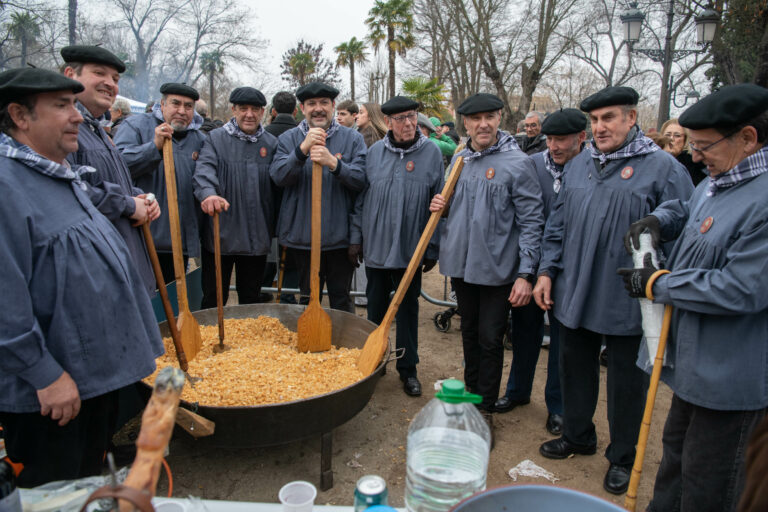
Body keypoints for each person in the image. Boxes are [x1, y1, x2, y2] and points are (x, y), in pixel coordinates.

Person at [0, 67, 163, 487]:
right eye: (60, 105)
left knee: (87, 479)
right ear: (19, 115)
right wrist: (46, 376)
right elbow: (5, 304)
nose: (76, 116)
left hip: (90, 381)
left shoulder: (58, 172)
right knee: (55, 489)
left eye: (74, 103)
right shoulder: (7, 187)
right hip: (53, 395)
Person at [534, 86, 693, 495]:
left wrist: (662, 265)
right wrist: (547, 271)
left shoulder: (662, 167)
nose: (600, 127)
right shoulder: (579, 163)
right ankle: (577, 434)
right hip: (575, 288)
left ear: (631, 118)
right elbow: (557, 225)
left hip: (628, 295)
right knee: (574, 366)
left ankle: (623, 456)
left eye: (609, 118)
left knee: (626, 381)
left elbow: (682, 224)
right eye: (595, 120)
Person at [618, 83, 768, 512]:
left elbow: (742, 288)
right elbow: (688, 209)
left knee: (709, 485)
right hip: (693, 368)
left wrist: (657, 284)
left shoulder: (763, 200)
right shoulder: (721, 180)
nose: (695, 156)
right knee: (675, 467)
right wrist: (657, 218)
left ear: (747, 138)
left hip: (729, 380)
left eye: (704, 146)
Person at [429, 93, 544, 417]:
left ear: (499, 119)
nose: (483, 124)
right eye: (475, 119)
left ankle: (484, 412)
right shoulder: (459, 159)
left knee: (490, 339)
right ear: (465, 122)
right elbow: (456, 206)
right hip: (463, 267)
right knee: (468, 334)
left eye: (489, 117)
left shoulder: (518, 163)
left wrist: (525, 274)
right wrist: (444, 205)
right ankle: (470, 400)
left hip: (497, 270)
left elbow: (532, 221)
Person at [495, 108, 586, 437]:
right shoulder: (531, 164)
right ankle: (517, 390)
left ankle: (557, 406)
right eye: (550, 139)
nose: (555, 146)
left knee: (562, 342)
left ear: (581, 139)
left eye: (562, 140)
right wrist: (526, 268)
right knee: (524, 330)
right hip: (531, 265)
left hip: (570, 269)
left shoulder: (590, 170)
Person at [350, 96, 443, 397]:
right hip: (377, 247)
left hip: (410, 249)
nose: (408, 123)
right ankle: (375, 361)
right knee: (375, 307)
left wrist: (431, 248)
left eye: (413, 116)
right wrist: (356, 238)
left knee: (407, 309)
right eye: (401, 118)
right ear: (388, 122)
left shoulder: (431, 153)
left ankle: (408, 369)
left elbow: (439, 204)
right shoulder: (374, 153)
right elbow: (361, 200)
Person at [60, 45, 159, 298]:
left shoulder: (97, 131)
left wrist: (141, 198)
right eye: (99, 74)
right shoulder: (64, 130)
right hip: (98, 273)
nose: (110, 84)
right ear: (71, 74)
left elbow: (109, 181)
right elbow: (67, 191)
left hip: (124, 264)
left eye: (115, 79)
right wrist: (127, 205)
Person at [269, 81, 366, 313]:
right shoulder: (288, 139)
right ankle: (308, 343)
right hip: (302, 238)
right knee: (307, 300)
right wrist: (301, 151)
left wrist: (334, 163)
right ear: (302, 108)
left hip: (339, 239)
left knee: (341, 300)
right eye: (311, 104)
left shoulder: (352, 139)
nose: (318, 108)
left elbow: (361, 179)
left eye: (324, 103)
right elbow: (279, 176)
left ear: (333, 106)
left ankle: (344, 347)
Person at [193, 87, 278, 309]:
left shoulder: (271, 143)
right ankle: (211, 337)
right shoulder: (215, 139)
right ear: (233, 110)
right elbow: (204, 172)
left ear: (263, 112)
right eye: (243, 109)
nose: (249, 114)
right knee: (213, 297)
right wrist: (208, 193)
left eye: (255, 109)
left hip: (256, 236)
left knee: (251, 299)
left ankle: (250, 342)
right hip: (221, 232)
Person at [115, 82, 207, 284]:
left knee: (173, 302)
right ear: (162, 104)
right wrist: (153, 147)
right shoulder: (136, 126)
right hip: (144, 236)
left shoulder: (199, 139)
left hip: (178, 240)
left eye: (188, 106)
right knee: (145, 298)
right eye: (176, 104)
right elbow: (119, 166)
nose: (182, 111)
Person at [662, 117, 706, 186]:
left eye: (677, 135)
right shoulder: (656, 161)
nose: (671, 139)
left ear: (685, 139)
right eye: (667, 135)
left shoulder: (694, 165)